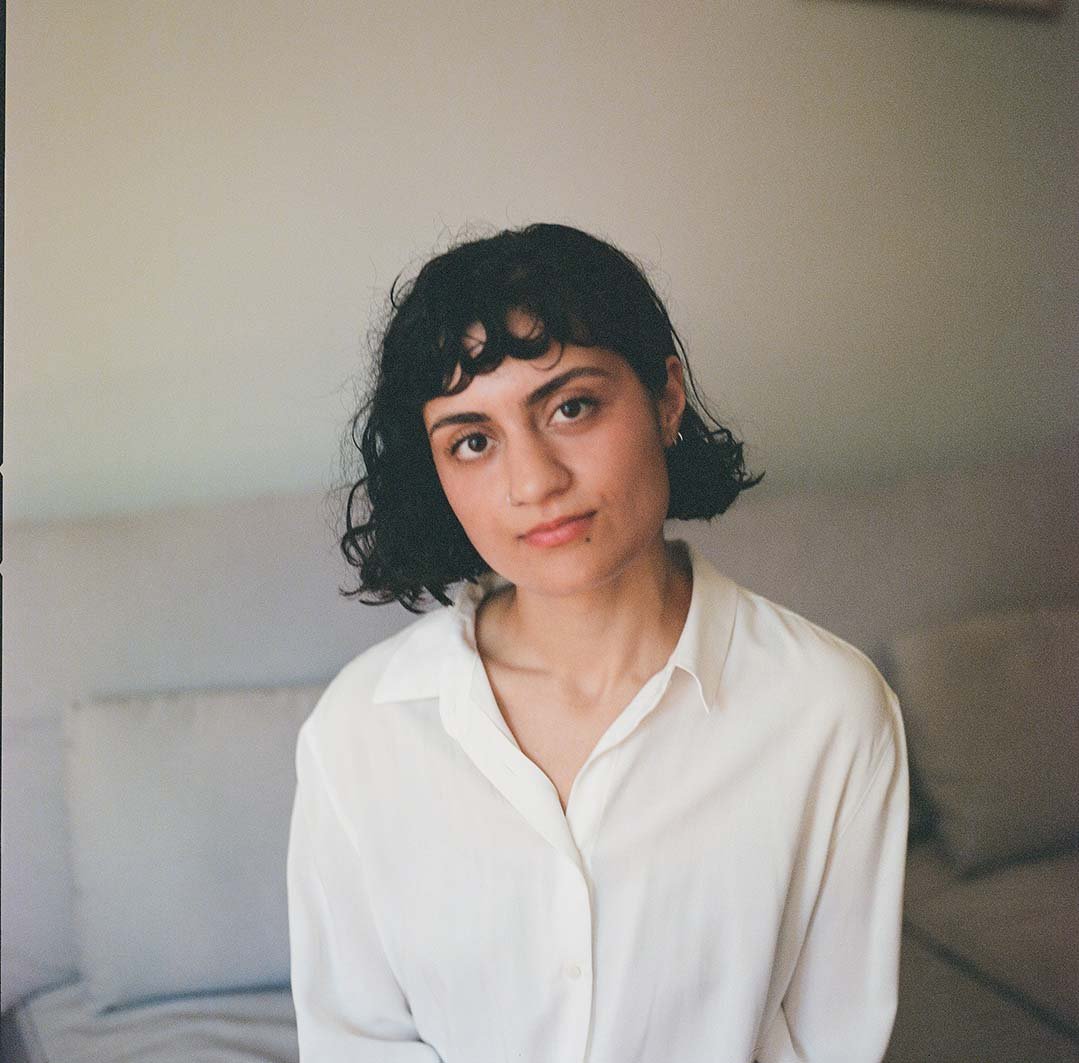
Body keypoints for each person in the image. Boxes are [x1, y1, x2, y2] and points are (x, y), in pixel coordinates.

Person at [286, 222, 909, 1063]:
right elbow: (357, 1041)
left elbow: (837, 1042)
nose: (534, 481)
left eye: (571, 406)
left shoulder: (827, 707)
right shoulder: (360, 727)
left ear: (665, 397)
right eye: (473, 440)